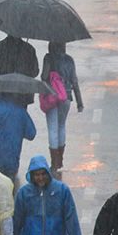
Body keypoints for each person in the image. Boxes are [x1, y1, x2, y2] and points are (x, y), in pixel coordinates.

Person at [41, 41, 83, 172]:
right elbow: (74, 81)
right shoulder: (69, 60)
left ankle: (54, 163)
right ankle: (60, 161)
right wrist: (79, 102)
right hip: (66, 97)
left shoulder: (48, 58)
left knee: (52, 128)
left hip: (52, 96)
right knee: (61, 126)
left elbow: (44, 76)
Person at [0, 33, 39, 108]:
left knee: (2, 116)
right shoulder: (29, 49)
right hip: (22, 92)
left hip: (2, 90)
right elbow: (35, 71)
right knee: (19, 116)